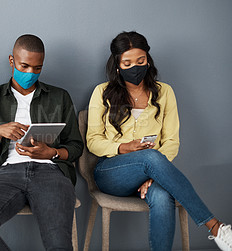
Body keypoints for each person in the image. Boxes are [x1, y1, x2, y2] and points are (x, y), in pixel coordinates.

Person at [87, 31, 232, 251]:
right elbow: (93, 141)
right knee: (150, 157)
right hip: (111, 173)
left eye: (140, 61)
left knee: (163, 195)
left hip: (152, 170)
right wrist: (123, 147)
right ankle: (215, 226)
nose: (134, 67)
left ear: (148, 61)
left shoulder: (165, 93)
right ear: (117, 65)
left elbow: (172, 141)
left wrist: (155, 175)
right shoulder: (102, 92)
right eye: (127, 63)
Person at [0, 34, 83, 250]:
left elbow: (76, 147)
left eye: (37, 68)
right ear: (12, 61)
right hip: (7, 172)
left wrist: (51, 153)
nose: (30, 73)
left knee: (59, 242)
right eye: (25, 66)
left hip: (51, 172)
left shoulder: (60, 97)